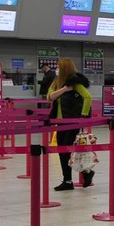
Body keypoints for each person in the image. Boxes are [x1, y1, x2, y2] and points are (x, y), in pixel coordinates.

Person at [48, 58, 94, 191]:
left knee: (67, 150)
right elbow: (49, 96)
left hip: (72, 122)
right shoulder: (58, 82)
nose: (56, 69)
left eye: (58, 67)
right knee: (62, 151)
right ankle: (68, 180)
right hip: (59, 122)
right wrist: (64, 90)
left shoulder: (75, 81)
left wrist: (84, 115)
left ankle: (84, 173)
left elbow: (87, 97)